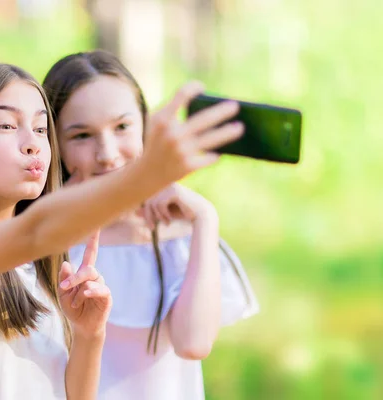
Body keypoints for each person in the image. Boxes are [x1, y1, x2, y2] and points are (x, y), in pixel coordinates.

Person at [0, 61, 242, 400]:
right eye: (6, 125)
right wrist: (145, 175)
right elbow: (34, 232)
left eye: (41, 128)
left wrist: (90, 333)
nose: (31, 142)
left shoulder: (40, 274)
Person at [43, 50, 260, 400]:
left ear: (147, 126)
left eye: (122, 127)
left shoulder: (180, 235)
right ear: (56, 145)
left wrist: (205, 218)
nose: (108, 153)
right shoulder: (41, 241)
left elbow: (193, 343)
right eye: (82, 136)